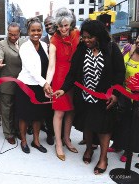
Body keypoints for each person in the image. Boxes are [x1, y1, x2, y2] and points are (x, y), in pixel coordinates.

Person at [53, 19, 125, 174]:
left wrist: (115, 94)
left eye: (89, 37)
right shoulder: (81, 49)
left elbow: (120, 73)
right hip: (85, 97)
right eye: (83, 37)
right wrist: (63, 90)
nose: (85, 40)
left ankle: (103, 158)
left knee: (104, 129)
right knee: (88, 125)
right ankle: (89, 150)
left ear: (98, 36)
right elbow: (72, 74)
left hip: (105, 99)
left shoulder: (111, 49)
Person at [45, 7, 80, 161]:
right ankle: (58, 143)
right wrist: (47, 83)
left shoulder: (77, 34)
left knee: (71, 110)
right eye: (60, 26)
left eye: (66, 25)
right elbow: (51, 65)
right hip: (60, 77)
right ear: (56, 26)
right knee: (59, 112)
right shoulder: (54, 40)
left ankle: (67, 138)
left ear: (70, 23)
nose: (63, 29)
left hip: (76, 77)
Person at [16, 17, 52, 154]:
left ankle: (36, 141)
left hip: (40, 86)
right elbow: (31, 69)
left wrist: (45, 83)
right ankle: (24, 141)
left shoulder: (44, 45)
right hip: (26, 86)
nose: (36, 33)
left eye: (39, 30)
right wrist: (45, 83)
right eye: (33, 30)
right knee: (24, 116)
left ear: (42, 30)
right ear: (28, 31)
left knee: (38, 116)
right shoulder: (24, 47)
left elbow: (47, 66)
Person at [0, 22, 25, 144]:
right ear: (7, 32)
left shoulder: (25, 43)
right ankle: (8, 133)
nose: (12, 37)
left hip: (22, 84)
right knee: (7, 110)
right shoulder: (2, 44)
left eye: (15, 35)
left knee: (18, 109)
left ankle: (17, 130)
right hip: (7, 85)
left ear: (19, 33)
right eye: (10, 34)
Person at [111, 34, 139, 166]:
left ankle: (128, 151)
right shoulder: (128, 50)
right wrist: (124, 53)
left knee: (132, 125)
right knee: (119, 120)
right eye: (138, 40)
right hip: (124, 94)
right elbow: (117, 66)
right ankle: (117, 145)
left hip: (137, 99)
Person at [41, 16, 56, 145]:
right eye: (46, 25)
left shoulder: (62, 39)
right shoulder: (41, 41)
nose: (48, 26)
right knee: (48, 109)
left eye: (50, 23)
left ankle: (60, 134)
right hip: (46, 79)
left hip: (60, 78)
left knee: (59, 108)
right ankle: (50, 133)